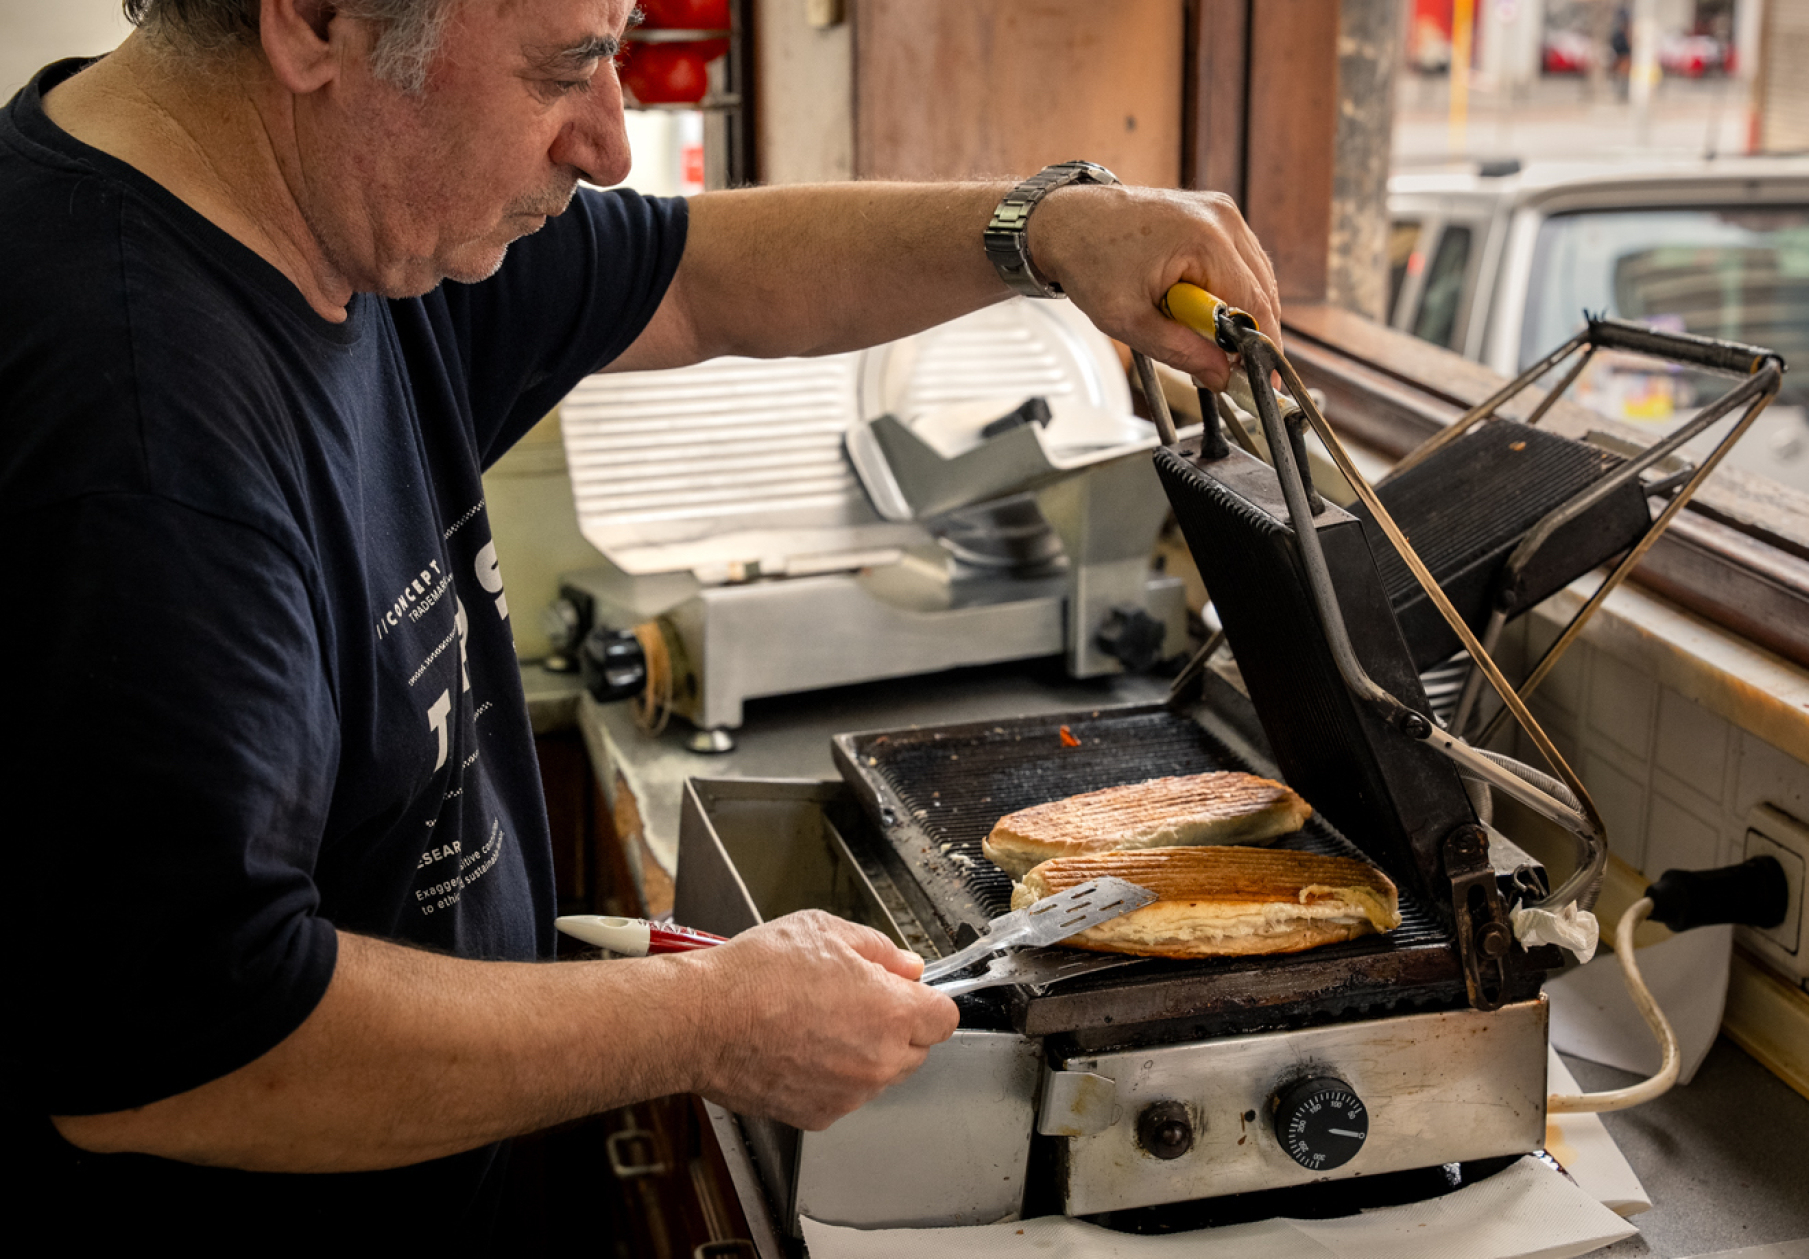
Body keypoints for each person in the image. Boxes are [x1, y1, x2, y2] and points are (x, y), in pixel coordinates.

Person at [0, 0, 1281, 1247]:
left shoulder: (329, 200)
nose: (610, 142)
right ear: (313, 22)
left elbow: (697, 276)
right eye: (569, 67)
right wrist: (704, 1021)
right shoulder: (138, 427)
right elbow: (180, 1055)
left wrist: (1046, 232)